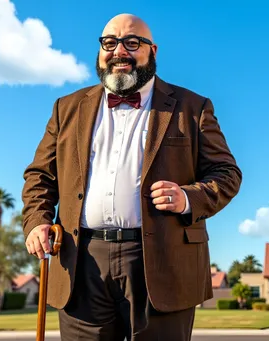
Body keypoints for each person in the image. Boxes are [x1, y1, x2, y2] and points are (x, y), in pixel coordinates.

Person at [21, 13, 242, 341]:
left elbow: (227, 174)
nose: (119, 51)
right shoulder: (66, 108)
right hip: (81, 261)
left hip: (163, 261)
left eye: (131, 42)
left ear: (152, 50)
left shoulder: (193, 107)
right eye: (109, 43)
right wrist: (38, 220)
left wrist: (187, 197)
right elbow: (40, 175)